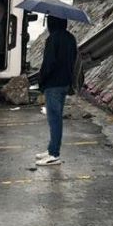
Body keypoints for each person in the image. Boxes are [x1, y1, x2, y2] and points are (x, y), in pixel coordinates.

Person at [36, 15, 77, 166]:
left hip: (53, 84)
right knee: (56, 118)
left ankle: (54, 154)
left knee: (54, 120)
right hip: (65, 83)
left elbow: (48, 63)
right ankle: (51, 149)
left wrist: (41, 81)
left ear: (52, 23)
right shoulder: (70, 38)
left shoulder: (53, 39)